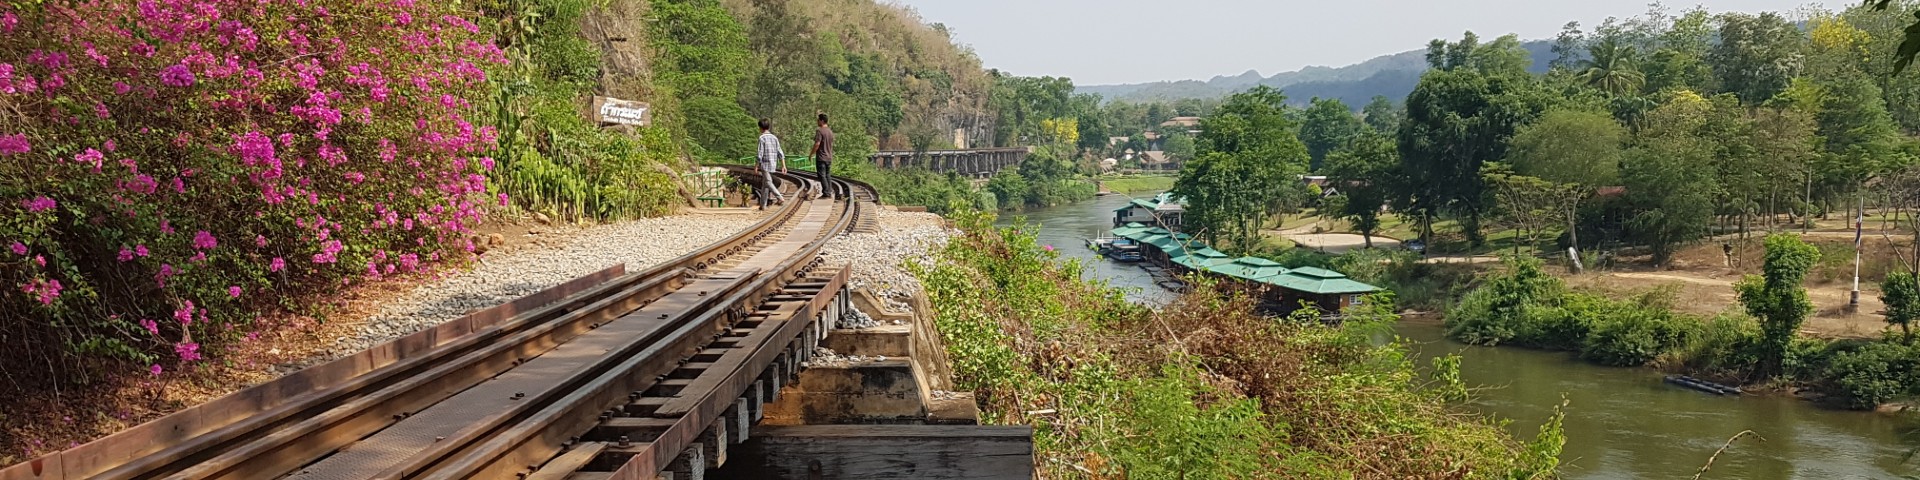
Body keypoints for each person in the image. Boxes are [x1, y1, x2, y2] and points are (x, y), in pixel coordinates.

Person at [755, 118, 787, 210]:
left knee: (768, 182)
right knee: (765, 184)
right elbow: (780, 153)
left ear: (761, 128)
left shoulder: (762, 138)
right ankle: (763, 206)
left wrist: (756, 166)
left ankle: (779, 197)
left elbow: (759, 154)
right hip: (773, 163)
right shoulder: (774, 138)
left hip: (765, 164)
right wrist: (783, 165)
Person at [811, 113, 837, 200]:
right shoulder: (830, 131)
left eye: (818, 120)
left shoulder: (820, 131)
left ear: (822, 121)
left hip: (821, 157)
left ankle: (826, 193)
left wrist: (811, 154)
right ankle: (829, 191)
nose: (817, 121)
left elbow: (817, 143)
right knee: (827, 175)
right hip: (829, 157)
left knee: (821, 175)